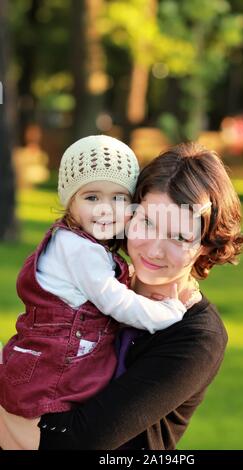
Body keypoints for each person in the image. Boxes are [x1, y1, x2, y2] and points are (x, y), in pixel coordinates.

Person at [36, 142, 243, 450]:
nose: (154, 249)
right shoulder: (97, 283)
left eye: (179, 237)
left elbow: (77, 441)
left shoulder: (197, 336)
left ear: (205, 244)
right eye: (147, 222)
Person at [0, 135, 192, 450]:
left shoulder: (77, 242)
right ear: (68, 200)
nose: (105, 209)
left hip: (45, 372)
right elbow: (117, 303)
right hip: (49, 383)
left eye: (118, 198)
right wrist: (171, 312)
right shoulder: (79, 251)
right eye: (91, 197)